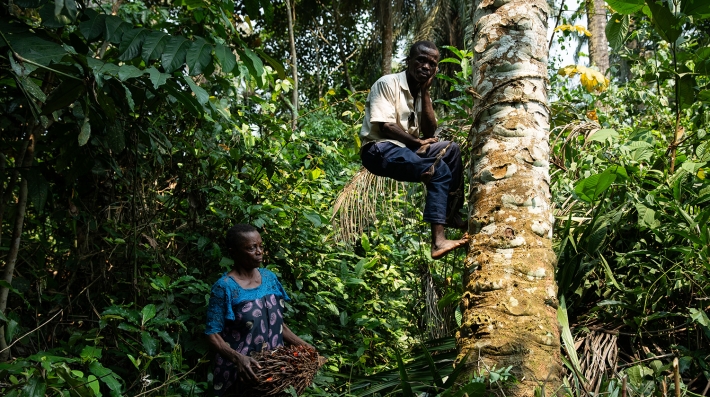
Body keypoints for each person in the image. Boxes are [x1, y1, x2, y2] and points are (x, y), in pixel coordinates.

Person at [359, 40, 468, 259]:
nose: (426, 66)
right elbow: (385, 126)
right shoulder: (387, 83)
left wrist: (426, 94)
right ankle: (438, 242)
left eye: (432, 63)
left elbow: (430, 131)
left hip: (405, 149)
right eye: (421, 60)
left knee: (451, 150)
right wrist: (417, 143)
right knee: (438, 170)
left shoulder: (420, 92)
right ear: (409, 61)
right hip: (379, 150)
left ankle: (450, 214)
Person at [205, 224, 312, 396]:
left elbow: (278, 325)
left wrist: (307, 348)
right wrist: (238, 358)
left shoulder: (270, 278)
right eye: (251, 248)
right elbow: (212, 334)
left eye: (260, 246)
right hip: (240, 377)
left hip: (274, 372)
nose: (259, 251)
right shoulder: (224, 287)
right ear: (233, 252)